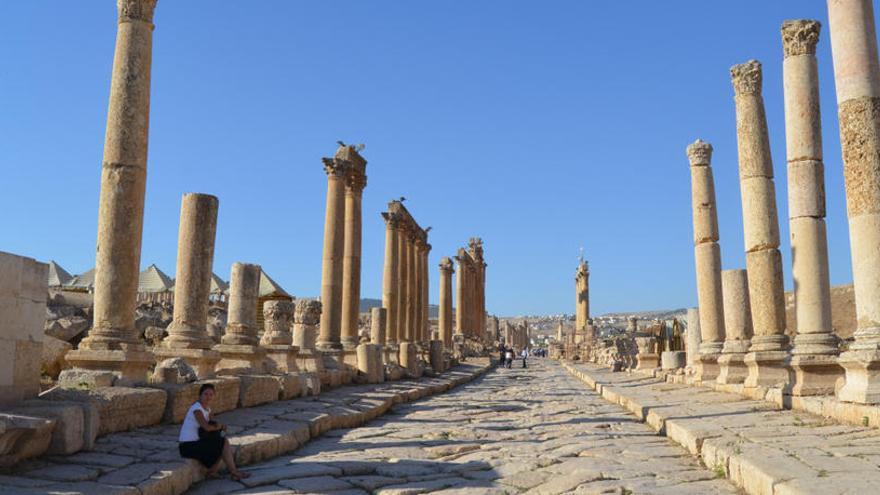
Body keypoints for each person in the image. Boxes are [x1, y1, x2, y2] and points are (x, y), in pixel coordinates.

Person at [179, 383, 251, 481]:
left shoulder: (207, 409)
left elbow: (214, 424)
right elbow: (207, 427)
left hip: (197, 443)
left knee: (221, 441)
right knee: (223, 443)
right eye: (206, 394)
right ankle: (233, 472)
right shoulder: (197, 409)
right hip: (187, 446)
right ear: (200, 395)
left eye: (211, 394)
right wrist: (220, 426)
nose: (208, 397)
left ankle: (214, 472)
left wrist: (221, 426)